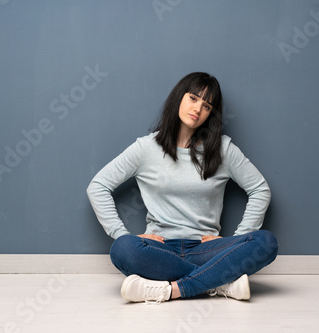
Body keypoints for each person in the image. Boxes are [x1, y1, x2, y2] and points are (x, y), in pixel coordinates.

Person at [87, 72, 278, 304]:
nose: (198, 109)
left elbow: (260, 190)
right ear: (179, 97)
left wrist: (237, 238)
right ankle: (219, 283)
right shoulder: (146, 148)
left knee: (265, 242)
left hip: (207, 249)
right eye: (193, 98)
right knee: (122, 249)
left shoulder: (223, 149)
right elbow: (98, 186)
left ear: (211, 114)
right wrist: (120, 233)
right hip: (159, 249)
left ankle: (170, 290)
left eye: (207, 106)